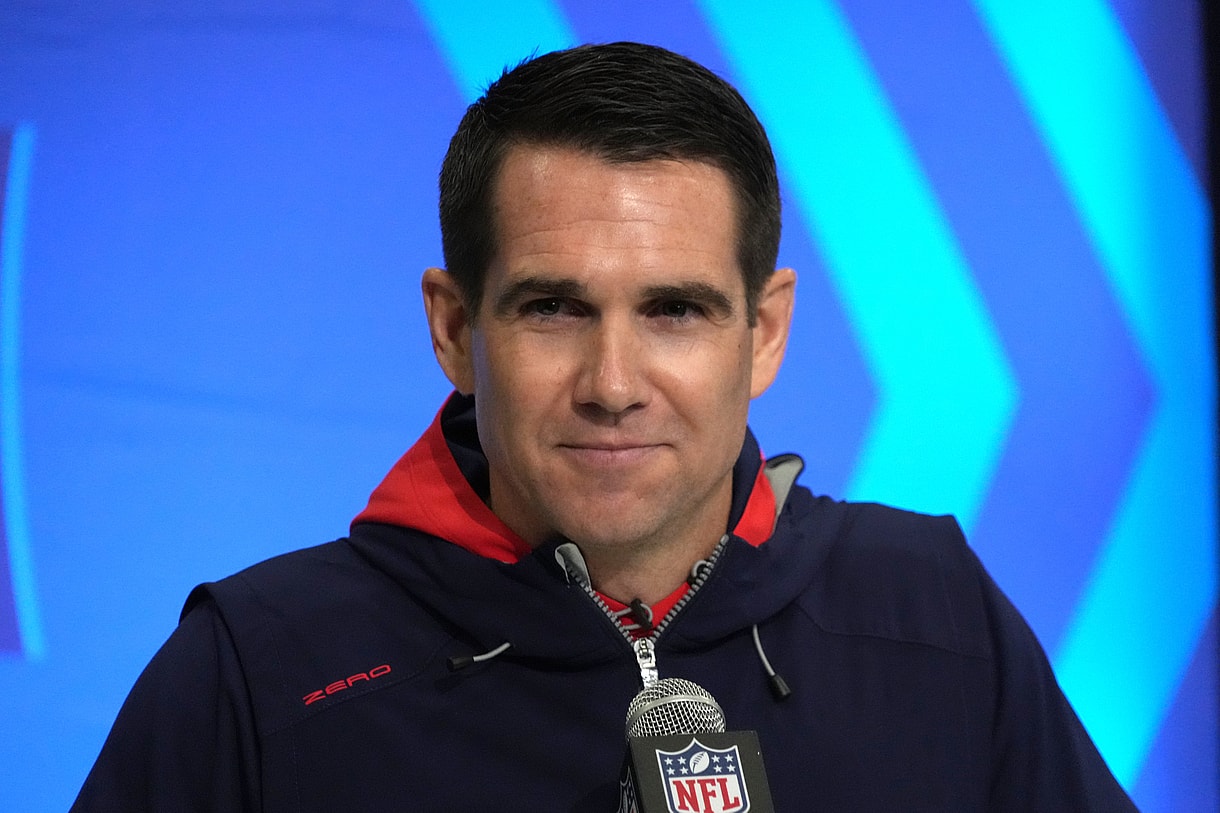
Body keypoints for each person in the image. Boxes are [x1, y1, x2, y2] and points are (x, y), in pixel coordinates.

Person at [73, 42, 1135, 811]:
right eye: (553, 309)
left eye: (672, 310)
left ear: (762, 333)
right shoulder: (262, 667)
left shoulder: (930, 607)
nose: (612, 383)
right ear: (453, 328)